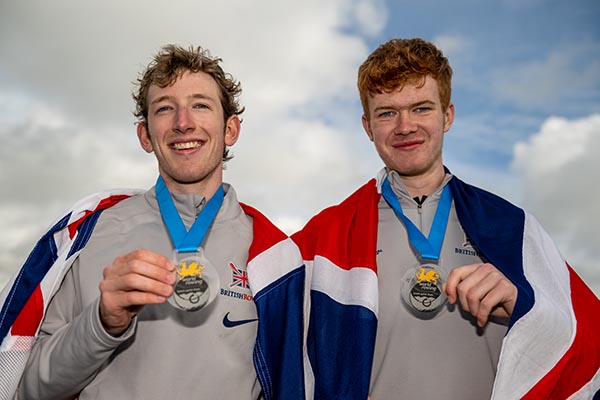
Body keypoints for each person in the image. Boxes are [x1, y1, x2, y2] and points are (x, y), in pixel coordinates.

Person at [292, 38, 600, 399]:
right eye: (387, 113)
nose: (405, 126)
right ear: (367, 126)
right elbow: (271, 342)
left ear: (448, 115)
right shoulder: (324, 236)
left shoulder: (514, 229)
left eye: (421, 109)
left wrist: (525, 305)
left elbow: (586, 333)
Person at [0, 45, 308, 400]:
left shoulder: (273, 255)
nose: (183, 122)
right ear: (145, 136)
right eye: (165, 108)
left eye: (200, 105)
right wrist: (102, 322)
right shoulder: (90, 232)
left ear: (231, 130)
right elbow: (31, 389)